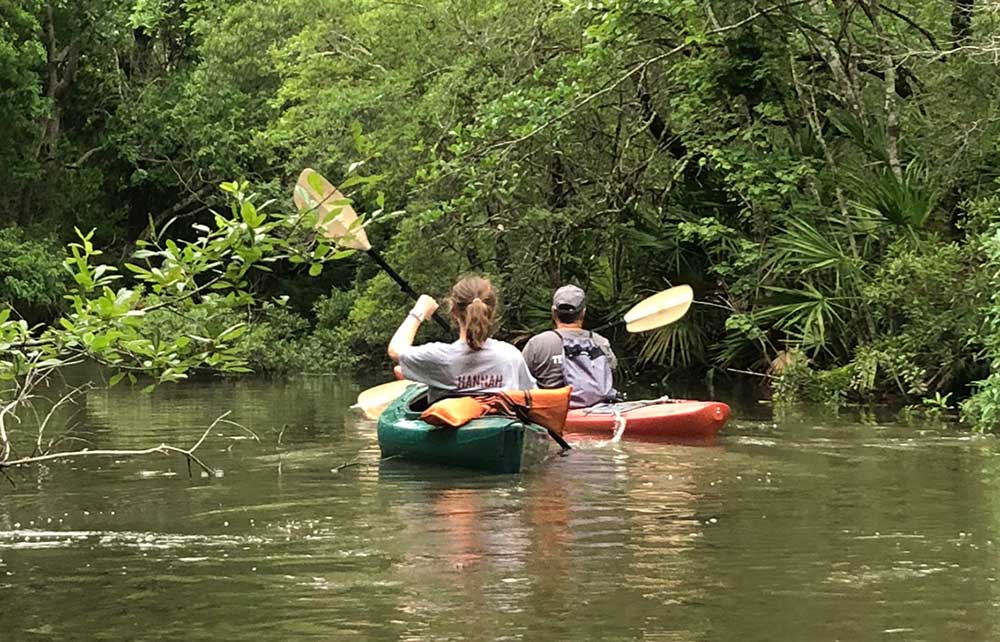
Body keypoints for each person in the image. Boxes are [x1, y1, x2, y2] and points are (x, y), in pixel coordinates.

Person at [387, 276, 536, 401]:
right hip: (502, 431)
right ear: (492, 312)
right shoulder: (511, 356)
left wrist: (419, 310)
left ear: (453, 312)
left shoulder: (439, 358)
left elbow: (395, 350)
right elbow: (533, 397)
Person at [522, 284, 618, 408]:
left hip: (552, 414)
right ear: (583, 312)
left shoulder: (537, 343)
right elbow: (611, 374)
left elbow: (522, 383)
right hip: (600, 413)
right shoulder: (601, 342)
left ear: (553, 312)